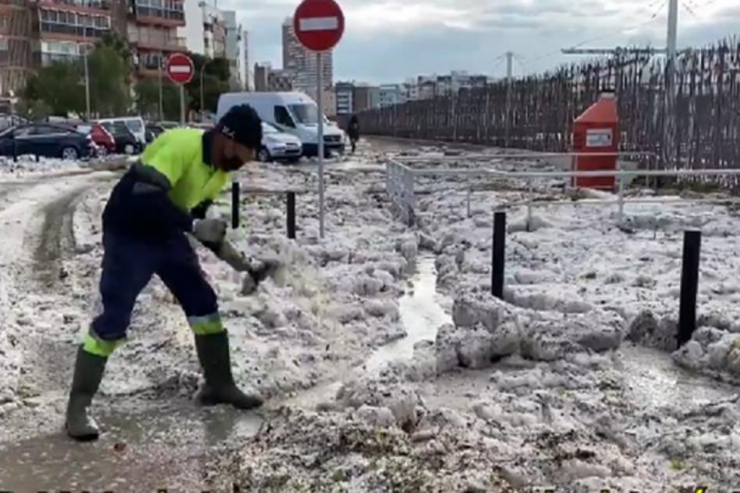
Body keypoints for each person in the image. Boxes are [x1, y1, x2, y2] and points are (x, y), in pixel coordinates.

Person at [65, 104, 274, 442]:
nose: (239, 165)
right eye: (240, 156)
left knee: (203, 302)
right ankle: (78, 407)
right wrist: (192, 224)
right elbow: (145, 197)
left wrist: (240, 262)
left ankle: (219, 385)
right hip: (129, 231)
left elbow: (201, 225)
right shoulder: (181, 145)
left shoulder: (219, 171)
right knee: (115, 316)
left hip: (166, 233)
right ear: (226, 137)